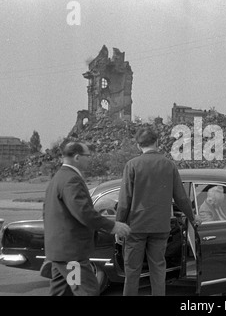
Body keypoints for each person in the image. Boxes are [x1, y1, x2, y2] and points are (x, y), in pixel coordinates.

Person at [116, 127, 201, 296]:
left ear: (139, 145)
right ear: (157, 142)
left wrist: (118, 224)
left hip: (136, 226)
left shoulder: (132, 165)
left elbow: (125, 200)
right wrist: (192, 217)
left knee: (132, 271)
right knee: (158, 269)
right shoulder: (169, 165)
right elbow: (181, 198)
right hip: (161, 226)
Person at [43, 141, 131, 296]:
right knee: (86, 291)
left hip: (60, 251)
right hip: (72, 255)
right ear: (77, 157)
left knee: (62, 291)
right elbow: (83, 212)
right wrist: (113, 226)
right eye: (87, 156)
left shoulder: (58, 177)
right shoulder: (71, 179)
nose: (90, 159)